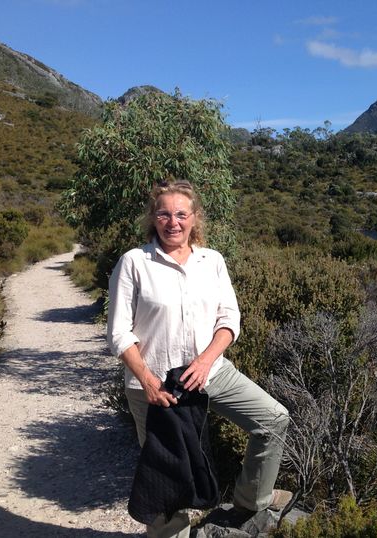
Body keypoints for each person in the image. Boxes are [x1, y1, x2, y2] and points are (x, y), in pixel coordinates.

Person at [107, 179, 291, 538]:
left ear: (194, 219)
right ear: (153, 218)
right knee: (163, 470)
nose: (172, 222)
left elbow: (229, 320)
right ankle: (170, 533)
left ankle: (252, 499)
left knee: (272, 419)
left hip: (211, 373)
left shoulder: (212, 261)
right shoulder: (134, 262)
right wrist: (147, 381)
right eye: (164, 213)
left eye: (180, 214)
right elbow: (118, 332)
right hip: (156, 384)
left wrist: (206, 360)